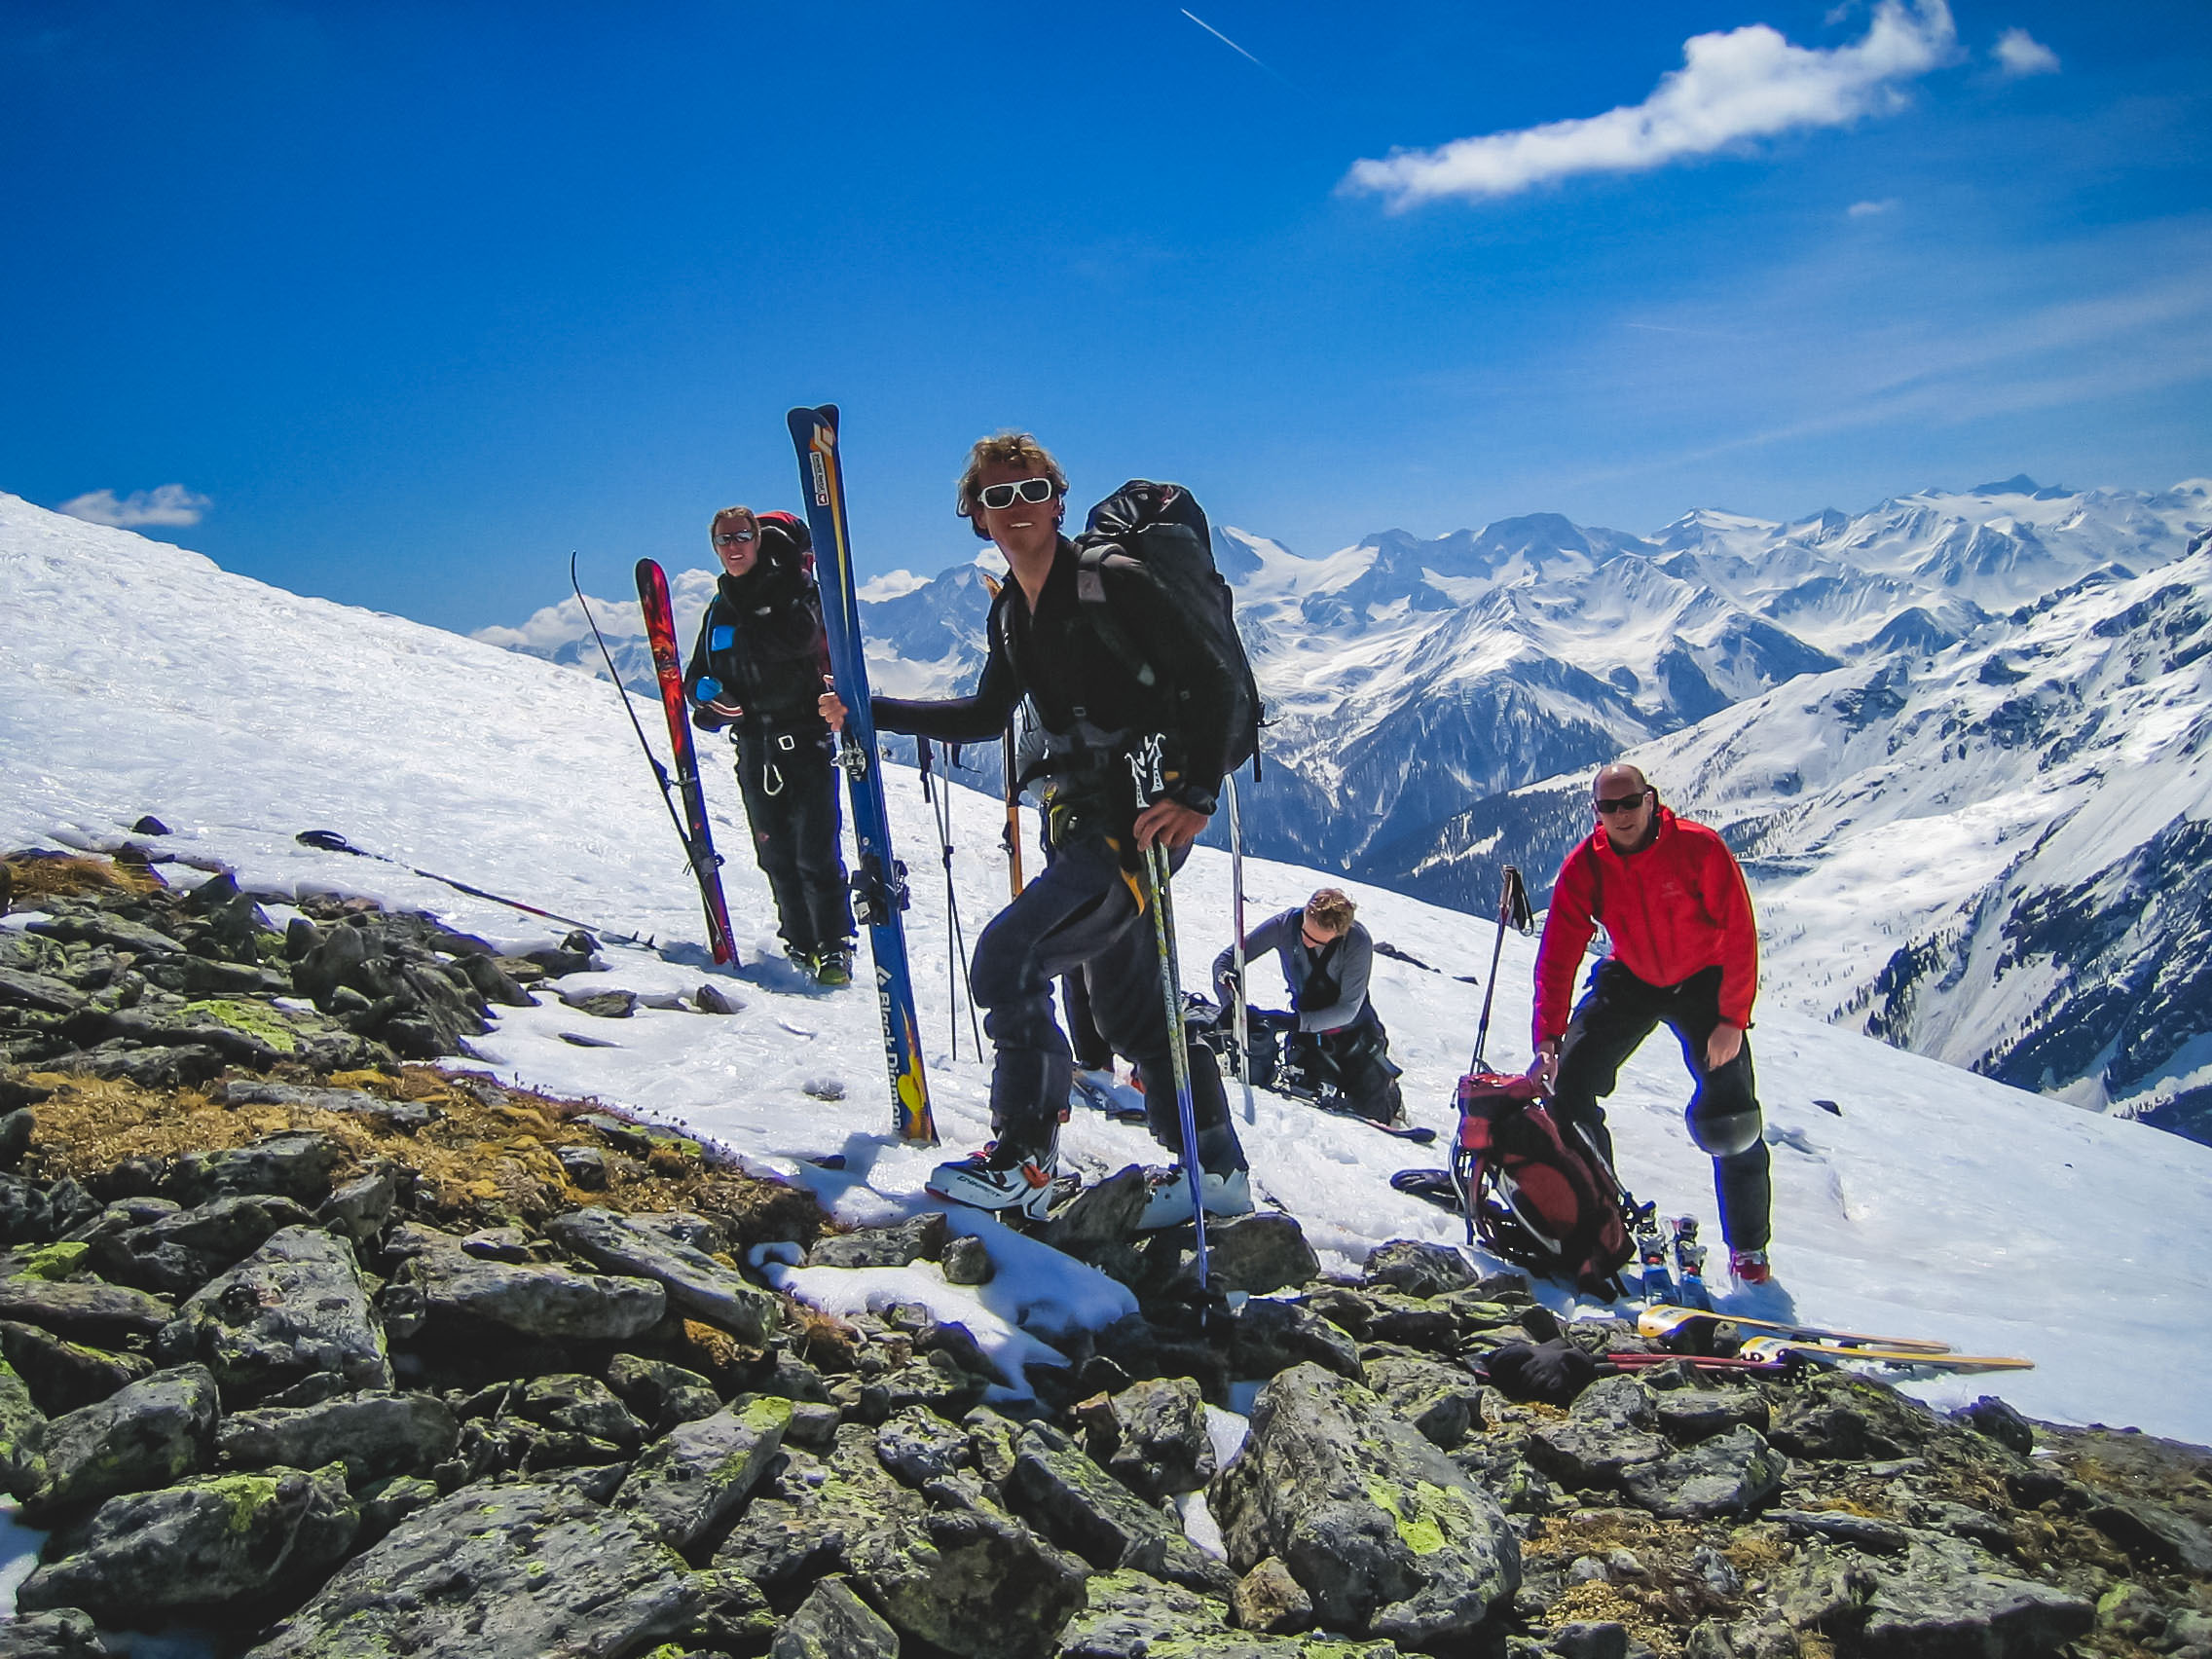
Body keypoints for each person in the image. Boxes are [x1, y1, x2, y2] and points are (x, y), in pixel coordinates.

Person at [823, 432, 1251, 1225]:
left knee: (1009, 956)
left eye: (1030, 491)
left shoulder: (1112, 582)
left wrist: (1196, 794)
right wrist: (868, 710)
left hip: (1132, 825)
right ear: (976, 517)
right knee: (1129, 1014)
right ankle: (1216, 1172)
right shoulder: (1011, 614)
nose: (1016, 508)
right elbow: (988, 717)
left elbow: (1213, 676)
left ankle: (1026, 1156)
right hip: (1083, 820)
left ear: (1058, 499)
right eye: (997, 497)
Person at [1530, 762, 1774, 1283]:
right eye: (1607, 807)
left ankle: (1748, 1248)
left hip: (1703, 981)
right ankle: (1603, 1218)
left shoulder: (1699, 848)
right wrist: (1548, 1037)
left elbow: (1738, 933)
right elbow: (1558, 954)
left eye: (1628, 802)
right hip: (1633, 975)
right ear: (1595, 812)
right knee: (1569, 1092)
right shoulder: (1587, 866)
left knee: (1732, 1118)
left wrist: (1732, 1019)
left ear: (1650, 800)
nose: (1619, 815)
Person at [684, 505, 856, 986]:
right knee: (774, 852)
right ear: (715, 547)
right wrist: (710, 698)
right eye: (724, 540)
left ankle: (834, 947)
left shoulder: (795, 592)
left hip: (803, 740)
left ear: (759, 541)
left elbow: (798, 641)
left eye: (743, 536)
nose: (734, 547)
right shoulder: (720, 607)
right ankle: (799, 943)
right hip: (754, 747)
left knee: (815, 850)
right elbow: (697, 674)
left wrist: (761, 602)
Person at [1214, 887, 1404, 1124]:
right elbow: (1225, 961)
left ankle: (1390, 1098)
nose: (1306, 941)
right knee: (1312, 1093)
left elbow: (1347, 1009)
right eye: (1305, 931)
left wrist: (1290, 1022)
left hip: (1356, 1034)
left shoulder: (1358, 941)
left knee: (1374, 1107)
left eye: (1316, 940)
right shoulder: (1286, 925)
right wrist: (1230, 1004)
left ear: (1339, 933)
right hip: (1308, 1036)